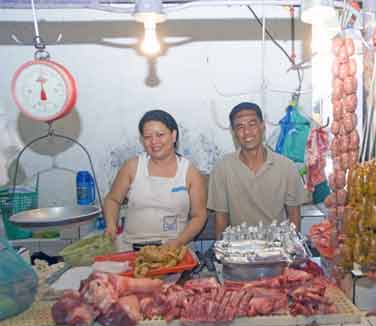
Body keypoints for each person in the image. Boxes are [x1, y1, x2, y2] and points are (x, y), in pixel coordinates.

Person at [104, 110, 207, 251]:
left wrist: (178, 242)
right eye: (147, 137)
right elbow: (113, 200)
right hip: (131, 248)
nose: (154, 142)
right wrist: (111, 225)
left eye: (160, 135)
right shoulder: (132, 166)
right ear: (142, 140)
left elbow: (199, 216)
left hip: (175, 249)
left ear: (173, 135)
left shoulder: (189, 171)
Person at [208, 102, 309, 239]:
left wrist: (292, 252)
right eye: (240, 127)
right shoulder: (222, 168)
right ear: (233, 132)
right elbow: (221, 219)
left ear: (262, 126)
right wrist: (220, 254)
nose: (247, 132)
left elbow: (294, 216)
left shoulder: (286, 167)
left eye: (252, 124)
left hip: (277, 250)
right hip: (238, 251)